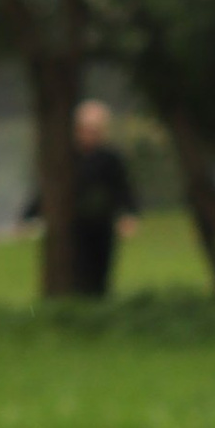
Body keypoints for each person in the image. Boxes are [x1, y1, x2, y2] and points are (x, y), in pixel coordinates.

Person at [70, 100, 140, 299]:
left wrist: (129, 214)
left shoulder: (110, 159)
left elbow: (123, 188)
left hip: (103, 222)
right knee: (79, 266)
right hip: (76, 223)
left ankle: (99, 303)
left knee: (101, 267)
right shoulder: (68, 159)